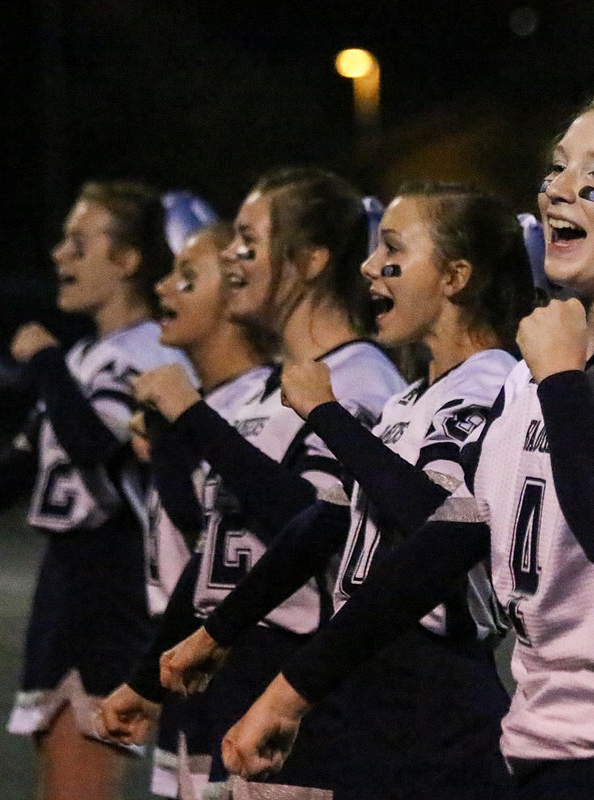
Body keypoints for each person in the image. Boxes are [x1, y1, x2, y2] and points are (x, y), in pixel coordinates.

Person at [221, 88, 594, 800]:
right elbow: (440, 546)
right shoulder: (535, 372)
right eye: (558, 169)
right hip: (540, 758)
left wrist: (563, 379)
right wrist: (292, 692)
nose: (559, 191)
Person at [153, 181, 537, 800]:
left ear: (455, 276)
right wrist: (215, 633)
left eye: (393, 249)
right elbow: (328, 521)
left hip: (434, 694)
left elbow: (441, 525)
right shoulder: (413, 399)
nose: (368, 267)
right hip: (368, 683)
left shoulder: (493, 386)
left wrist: (327, 416)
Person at [95, 167, 407, 798]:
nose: (232, 257)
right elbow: (219, 550)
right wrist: (150, 677)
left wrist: (192, 420)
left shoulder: (359, 381)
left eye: (248, 241)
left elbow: (317, 524)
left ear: (312, 259)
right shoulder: (272, 387)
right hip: (231, 676)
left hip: (302, 694)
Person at [0, 180, 199, 800]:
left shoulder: (143, 353)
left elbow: (93, 443)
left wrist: (43, 362)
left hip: (110, 576)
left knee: (77, 783)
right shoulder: (92, 353)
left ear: (127, 261)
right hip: (69, 579)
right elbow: (27, 457)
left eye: (78, 243)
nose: (60, 255)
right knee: (59, 773)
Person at [132, 220, 275, 799]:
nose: (164, 288)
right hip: (189, 657)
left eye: (188, 276)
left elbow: (209, 532)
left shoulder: (254, 400)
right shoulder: (211, 399)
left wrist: (172, 430)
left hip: (233, 663)